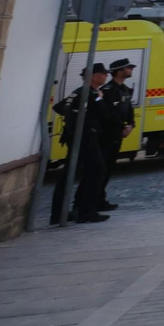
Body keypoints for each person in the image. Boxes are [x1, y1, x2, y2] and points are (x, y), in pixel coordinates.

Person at [53, 63, 111, 222]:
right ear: (93, 76)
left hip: (77, 136)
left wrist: (73, 119)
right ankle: (86, 212)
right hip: (85, 138)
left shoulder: (78, 92)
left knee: (71, 173)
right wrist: (99, 98)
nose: (106, 76)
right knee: (97, 170)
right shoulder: (90, 94)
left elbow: (60, 107)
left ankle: (59, 214)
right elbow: (104, 113)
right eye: (103, 73)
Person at [97, 58, 137, 211]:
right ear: (120, 71)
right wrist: (122, 127)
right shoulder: (108, 90)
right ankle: (93, 200)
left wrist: (131, 125)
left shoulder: (124, 90)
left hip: (117, 136)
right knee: (101, 169)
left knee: (108, 169)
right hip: (106, 135)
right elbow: (107, 114)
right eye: (129, 68)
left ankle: (100, 199)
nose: (131, 70)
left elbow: (129, 110)